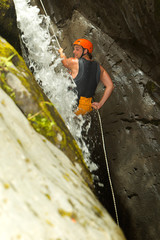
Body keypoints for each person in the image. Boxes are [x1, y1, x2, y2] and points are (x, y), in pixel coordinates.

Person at [59, 38, 114, 115]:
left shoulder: (74, 62)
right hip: (86, 108)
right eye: (74, 49)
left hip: (73, 104)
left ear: (85, 51)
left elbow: (65, 62)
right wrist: (100, 104)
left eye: (77, 49)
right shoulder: (99, 68)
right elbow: (110, 85)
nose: (74, 51)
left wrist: (61, 52)